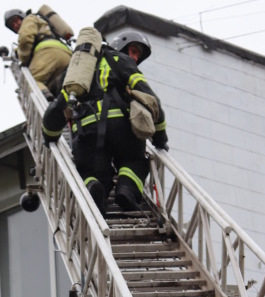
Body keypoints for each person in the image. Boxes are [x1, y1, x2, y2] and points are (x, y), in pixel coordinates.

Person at [42, 28, 169, 216]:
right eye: (132, 51)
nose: (134, 57)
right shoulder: (122, 62)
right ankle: (126, 190)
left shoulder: (80, 69)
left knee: (90, 170)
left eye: (137, 54)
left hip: (86, 130)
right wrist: (160, 139)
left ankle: (95, 188)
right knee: (134, 161)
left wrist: (49, 134)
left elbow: (59, 105)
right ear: (119, 47)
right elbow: (151, 100)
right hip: (123, 129)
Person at [4, 7, 73, 99]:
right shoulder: (40, 23)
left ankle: (47, 100)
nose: (16, 25)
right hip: (67, 55)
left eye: (16, 21)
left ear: (22, 17)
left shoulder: (28, 19)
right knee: (53, 86)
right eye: (13, 25)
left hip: (48, 53)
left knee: (31, 82)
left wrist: (23, 59)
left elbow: (25, 39)